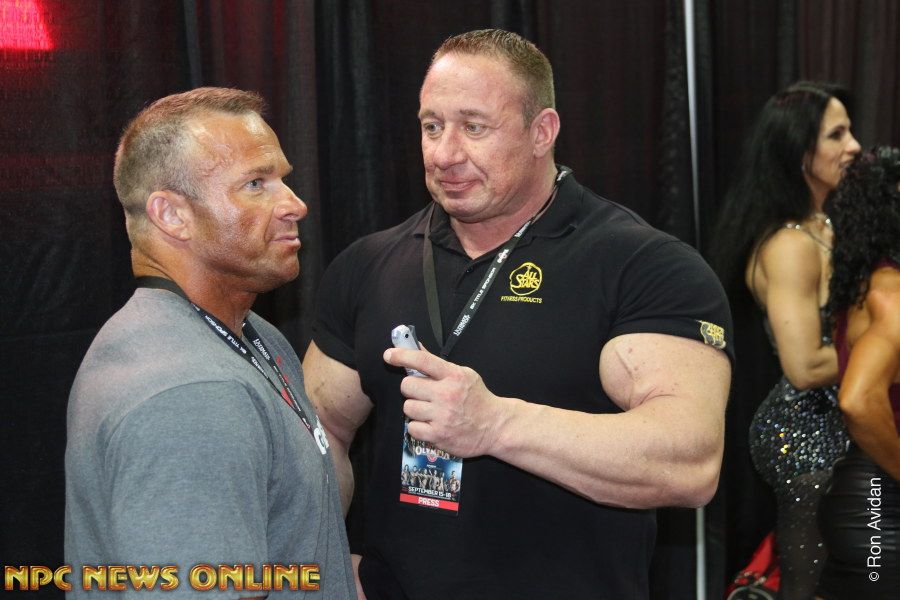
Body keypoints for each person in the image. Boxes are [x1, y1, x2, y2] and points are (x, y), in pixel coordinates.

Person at [303, 29, 733, 599]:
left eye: (474, 127)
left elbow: (691, 460)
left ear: (542, 131)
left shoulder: (641, 264)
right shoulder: (369, 264)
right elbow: (320, 431)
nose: (445, 153)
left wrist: (495, 424)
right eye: (432, 126)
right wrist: (321, 564)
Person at [65, 87, 355, 598]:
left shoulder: (252, 335)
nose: (295, 205)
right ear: (171, 215)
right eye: (255, 184)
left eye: (283, 179)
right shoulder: (190, 393)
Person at [711, 81, 860, 598]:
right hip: (805, 433)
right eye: (836, 135)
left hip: (840, 425)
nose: (854, 146)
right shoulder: (789, 245)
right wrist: (881, 358)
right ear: (800, 152)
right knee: (807, 583)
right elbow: (804, 366)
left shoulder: (825, 225)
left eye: (850, 131)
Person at [816, 146, 900, 600]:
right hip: (881, 504)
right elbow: (857, 401)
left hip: (869, 494)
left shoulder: (869, 284)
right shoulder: (892, 295)